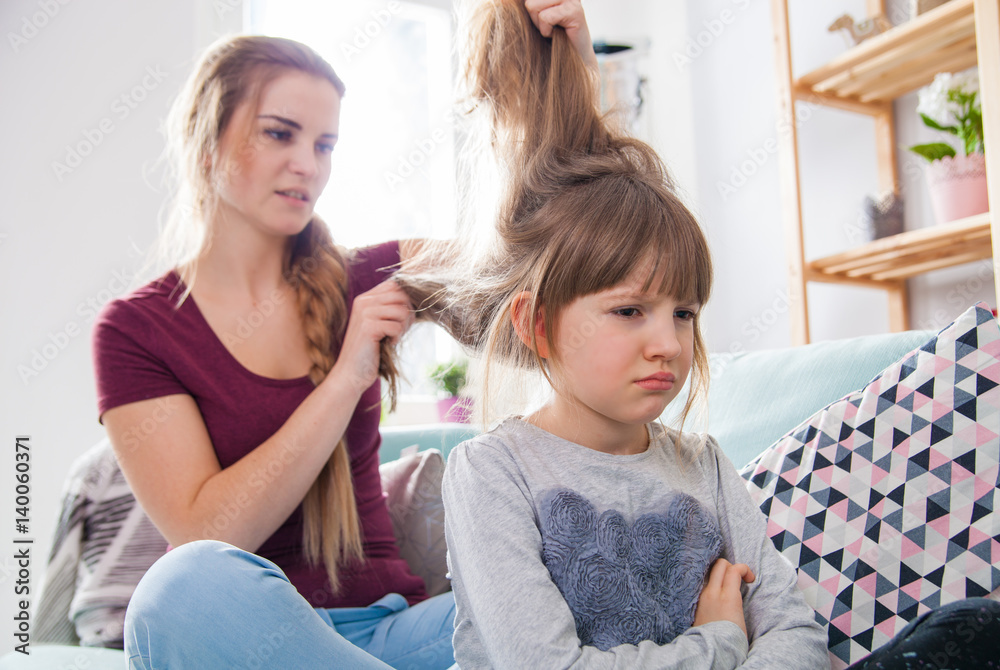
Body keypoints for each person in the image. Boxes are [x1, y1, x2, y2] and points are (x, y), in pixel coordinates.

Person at [439, 1, 1000, 669]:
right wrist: (721, 642)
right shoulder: (490, 473)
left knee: (972, 626)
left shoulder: (703, 466)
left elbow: (794, 636)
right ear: (535, 324)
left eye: (684, 312)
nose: (670, 344)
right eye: (629, 312)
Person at [91, 4, 595, 667]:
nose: (308, 165)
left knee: (588, 581)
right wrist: (347, 375)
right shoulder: (135, 331)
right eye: (280, 134)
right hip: (247, 634)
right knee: (175, 589)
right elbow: (209, 531)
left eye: (324, 145)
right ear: (206, 140)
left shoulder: (370, 272)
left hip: (398, 636)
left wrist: (571, 79)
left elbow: (555, 293)